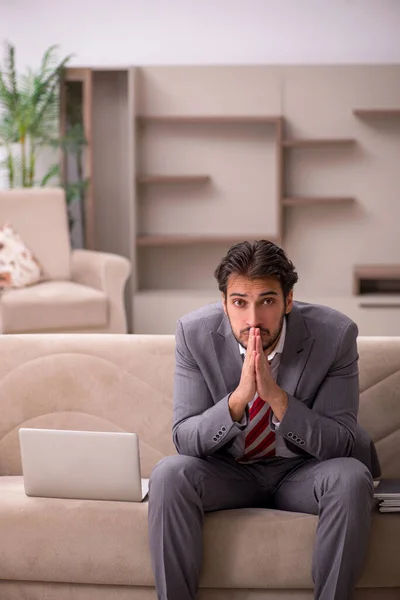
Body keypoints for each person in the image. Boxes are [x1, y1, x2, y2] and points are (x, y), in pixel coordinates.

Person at [148, 240, 380, 600]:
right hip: (229, 472)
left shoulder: (335, 335)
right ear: (224, 303)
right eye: (239, 302)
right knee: (168, 474)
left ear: (288, 300)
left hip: (302, 472)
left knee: (351, 477)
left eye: (267, 301)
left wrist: (277, 399)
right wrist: (238, 399)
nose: (252, 319)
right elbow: (186, 439)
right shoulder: (193, 334)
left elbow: (340, 442)